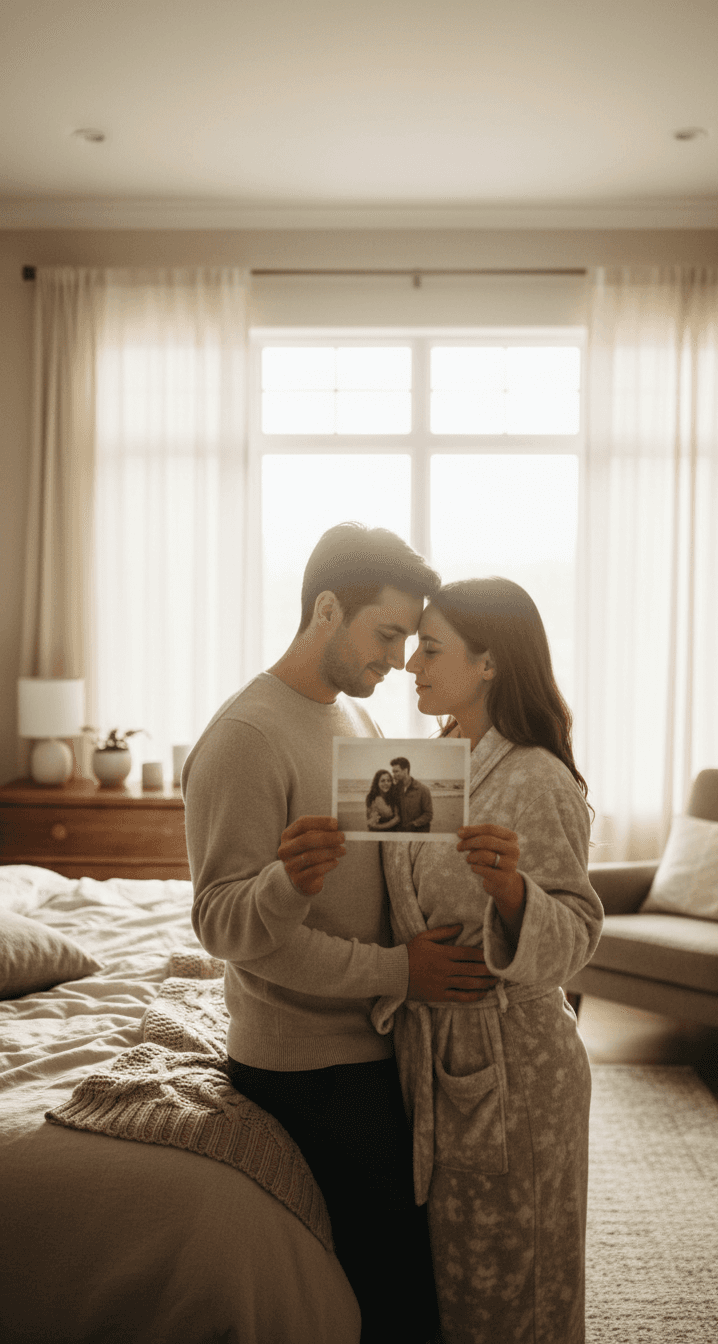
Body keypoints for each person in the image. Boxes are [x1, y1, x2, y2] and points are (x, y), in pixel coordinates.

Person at [182, 523, 499, 1344]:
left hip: (372, 1036)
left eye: (407, 640)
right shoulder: (245, 737)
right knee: (398, 1291)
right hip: (308, 1062)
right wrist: (397, 968)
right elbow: (221, 921)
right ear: (327, 609)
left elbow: (392, 858)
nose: (399, 661)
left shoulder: (352, 723)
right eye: (387, 634)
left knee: (436, 1251)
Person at [373, 577, 604, 1344]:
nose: (412, 664)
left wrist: (512, 893)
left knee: (519, 1292)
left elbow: (576, 932)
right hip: (435, 1059)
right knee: (456, 1295)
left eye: (431, 650)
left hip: (519, 1076)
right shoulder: (427, 764)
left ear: (489, 664)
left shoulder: (536, 777)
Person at [390, 756, 433, 833]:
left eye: (396, 771)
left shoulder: (422, 789)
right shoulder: (395, 789)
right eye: (393, 772)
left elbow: (428, 814)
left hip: (419, 832)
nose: (394, 775)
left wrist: (414, 824)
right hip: (400, 832)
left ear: (405, 770)